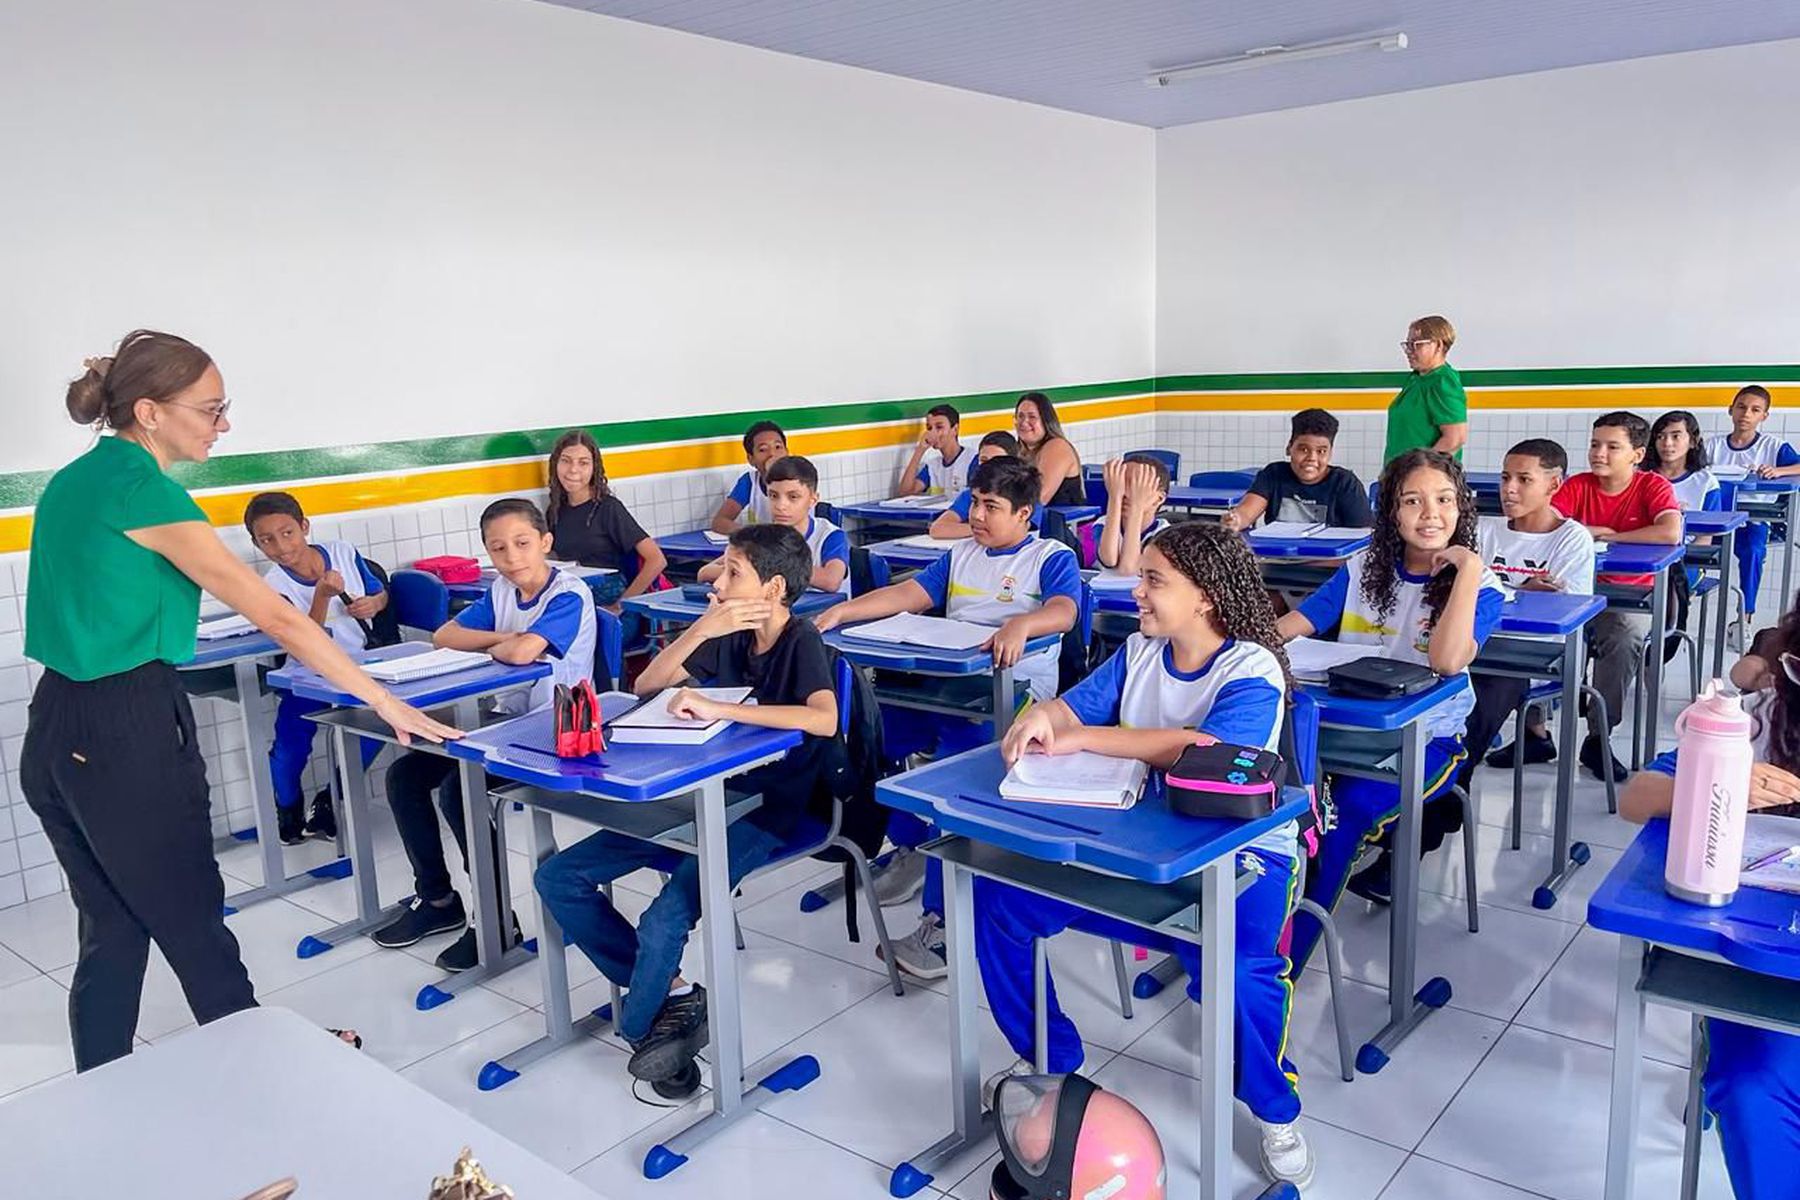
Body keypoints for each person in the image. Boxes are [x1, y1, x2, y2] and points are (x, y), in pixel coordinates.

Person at [21, 330, 454, 1071]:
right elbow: (278, 615)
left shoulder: (75, 479)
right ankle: (271, 1069)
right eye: (212, 408)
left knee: (114, 930)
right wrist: (384, 699)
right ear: (151, 412)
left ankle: (100, 1093)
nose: (224, 425)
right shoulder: (142, 489)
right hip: (126, 727)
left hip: (57, 726)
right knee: (193, 920)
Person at [981, 522, 1314, 1188]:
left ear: (1207, 597)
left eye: (1155, 580)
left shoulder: (1252, 666)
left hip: (1244, 862)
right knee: (996, 898)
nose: (1137, 591)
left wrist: (1085, 739)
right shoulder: (1138, 650)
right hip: (1139, 850)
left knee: (1240, 974)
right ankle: (1052, 1057)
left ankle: (1276, 1111)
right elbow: (1077, 711)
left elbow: (1206, 753)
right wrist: (1045, 718)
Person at [535, 523, 841, 1099]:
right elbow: (649, 681)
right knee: (558, 876)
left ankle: (640, 1029)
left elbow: (823, 718)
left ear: (773, 588)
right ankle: (672, 997)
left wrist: (718, 708)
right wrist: (704, 627)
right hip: (694, 794)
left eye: (733, 573)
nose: (718, 584)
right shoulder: (727, 635)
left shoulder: (800, 639)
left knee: (663, 920)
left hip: (763, 812)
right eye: (721, 570)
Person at [816, 456, 1080, 978]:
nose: (977, 515)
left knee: (950, 782)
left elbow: (1065, 611)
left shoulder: (1050, 556)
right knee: (868, 738)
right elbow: (909, 595)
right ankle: (912, 847)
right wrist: (846, 610)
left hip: (1015, 694)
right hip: (949, 686)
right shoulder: (961, 554)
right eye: (975, 503)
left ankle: (941, 922)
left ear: (1026, 513)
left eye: (992, 506)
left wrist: (1023, 624)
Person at [1278, 450, 1504, 946]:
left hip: (1427, 742)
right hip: (1339, 731)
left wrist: (1465, 571)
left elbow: (1447, 662)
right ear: (1391, 512)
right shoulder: (1363, 568)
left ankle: (1287, 958)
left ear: (1462, 508)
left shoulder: (1481, 588)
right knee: (1279, 803)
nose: (1431, 514)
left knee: (1344, 815)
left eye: (1445, 500)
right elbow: (1293, 627)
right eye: (1413, 501)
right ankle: (1247, 934)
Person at [1617, 606, 1800, 1200]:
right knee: (1754, 1086)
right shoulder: (1763, 721)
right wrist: (1719, 783)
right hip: (1770, 968)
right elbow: (1636, 797)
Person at [369, 498, 596, 972]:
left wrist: (509, 644)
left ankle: (494, 922)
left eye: (522, 544)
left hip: (555, 731)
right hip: (502, 723)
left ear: (546, 542)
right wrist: (500, 639)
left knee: (459, 790)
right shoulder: (501, 593)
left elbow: (524, 654)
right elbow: (444, 636)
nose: (511, 557)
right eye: (498, 548)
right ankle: (437, 902)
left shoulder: (568, 595)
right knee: (405, 776)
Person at [244, 491, 388, 844]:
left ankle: (330, 800)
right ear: (256, 544)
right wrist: (322, 597)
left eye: (287, 532)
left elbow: (379, 592)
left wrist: (373, 604)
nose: (280, 546)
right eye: (267, 540)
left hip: (360, 668)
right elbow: (304, 638)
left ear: (304, 526)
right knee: (288, 750)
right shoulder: (270, 587)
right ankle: (288, 808)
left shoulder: (343, 551)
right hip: (307, 676)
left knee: (378, 727)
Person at [1551, 412, 1683, 783]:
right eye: (1595, 444)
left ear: (1637, 454)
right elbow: (1546, 523)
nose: (1599, 453)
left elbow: (1670, 533)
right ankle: (1535, 734)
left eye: (1612, 447)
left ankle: (1599, 735)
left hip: (1631, 594)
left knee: (1623, 637)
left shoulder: (1651, 486)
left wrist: (1609, 533)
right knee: (1536, 633)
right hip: (1577, 590)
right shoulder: (1577, 485)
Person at [1473, 439, 1596, 771]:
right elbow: (1457, 587)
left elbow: (1562, 610)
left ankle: (1451, 780)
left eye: (1523, 480)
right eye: (1504, 478)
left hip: (1538, 654)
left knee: (1488, 685)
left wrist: (1492, 589)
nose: (1509, 489)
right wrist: (1521, 589)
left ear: (1554, 485)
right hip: (1482, 642)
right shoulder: (1484, 530)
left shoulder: (1571, 538)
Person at [1706, 385, 1798, 627]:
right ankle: (1679, 609)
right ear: (1731, 410)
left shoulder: (1773, 446)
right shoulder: (1712, 445)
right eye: (1741, 407)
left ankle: (1744, 620)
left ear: (1764, 416)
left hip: (1752, 519)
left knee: (1754, 552)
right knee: (1685, 549)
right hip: (1717, 520)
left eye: (1755, 410)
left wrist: (1779, 471)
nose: (1746, 414)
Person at [543, 429, 666, 607]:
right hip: (574, 597)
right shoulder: (555, 509)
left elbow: (656, 560)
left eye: (583, 463)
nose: (573, 470)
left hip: (609, 600)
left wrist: (620, 606)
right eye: (565, 461)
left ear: (594, 468)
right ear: (555, 463)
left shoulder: (608, 508)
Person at [698, 454, 848, 593]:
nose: (781, 505)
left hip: (821, 617)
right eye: (774, 496)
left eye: (793, 497)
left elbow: (831, 581)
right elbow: (705, 572)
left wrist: (775, 566)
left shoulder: (829, 535)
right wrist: (748, 573)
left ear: (813, 500)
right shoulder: (760, 536)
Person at [1224, 408, 1373, 531]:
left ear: (1330, 453)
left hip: (1328, 565)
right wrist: (1236, 519)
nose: (1312, 458)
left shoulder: (1345, 483)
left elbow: (1362, 535)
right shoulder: (1273, 474)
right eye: (1303, 449)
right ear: (1289, 448)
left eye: (1321, 451)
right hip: (1278, 560)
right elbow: (1246, 512)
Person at [1382, 315, 1468, 464]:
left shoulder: (1442, 381)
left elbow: (1455, 438)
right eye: (1408, 344)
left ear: (1439, 345)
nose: (1409, 350)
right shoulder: (1417, 379)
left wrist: (1421, 471)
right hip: (1399, 475)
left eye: (1417, 344)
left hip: (1423, 481)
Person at [927, 431, 1033, 540]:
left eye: (997, 460)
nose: (989, 466)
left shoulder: (1024, 494)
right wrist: (979, 529)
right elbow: (937, 529)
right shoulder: (971, 494)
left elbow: (1021, 528)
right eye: (983, 460)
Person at [1095, 453, 1170, 575]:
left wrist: (1137, 506)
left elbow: (1129, 569)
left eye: (1139, 486)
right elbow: (1109, 560)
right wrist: (1115, 497)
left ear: (1159, 499)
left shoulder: (1165, 534)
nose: (1126, 493)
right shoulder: (1104, 523)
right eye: (1122, 484)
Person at [708, 419, 788, 532]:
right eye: (763, 449)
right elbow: (720, 522)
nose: (772, 454)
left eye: (778, 447)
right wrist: (751, 533)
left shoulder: (800, 478)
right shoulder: (749, 482)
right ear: (751, 459)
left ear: (787, 452)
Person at [1013, 392, 1085, 508]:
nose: (1024, 422)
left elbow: (1039, 498)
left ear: (1046, 421)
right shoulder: (1019, 450)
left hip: (1067, 524)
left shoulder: (1057, 446)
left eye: (1032, 417)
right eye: (1020, 416)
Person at [896, 403, 970, 497]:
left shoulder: (972, 459)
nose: (933, 432)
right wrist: (920, 450)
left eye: (939, 427)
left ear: (955, 429)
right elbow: (906, 492)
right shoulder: (933, 465)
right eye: (929, 428)